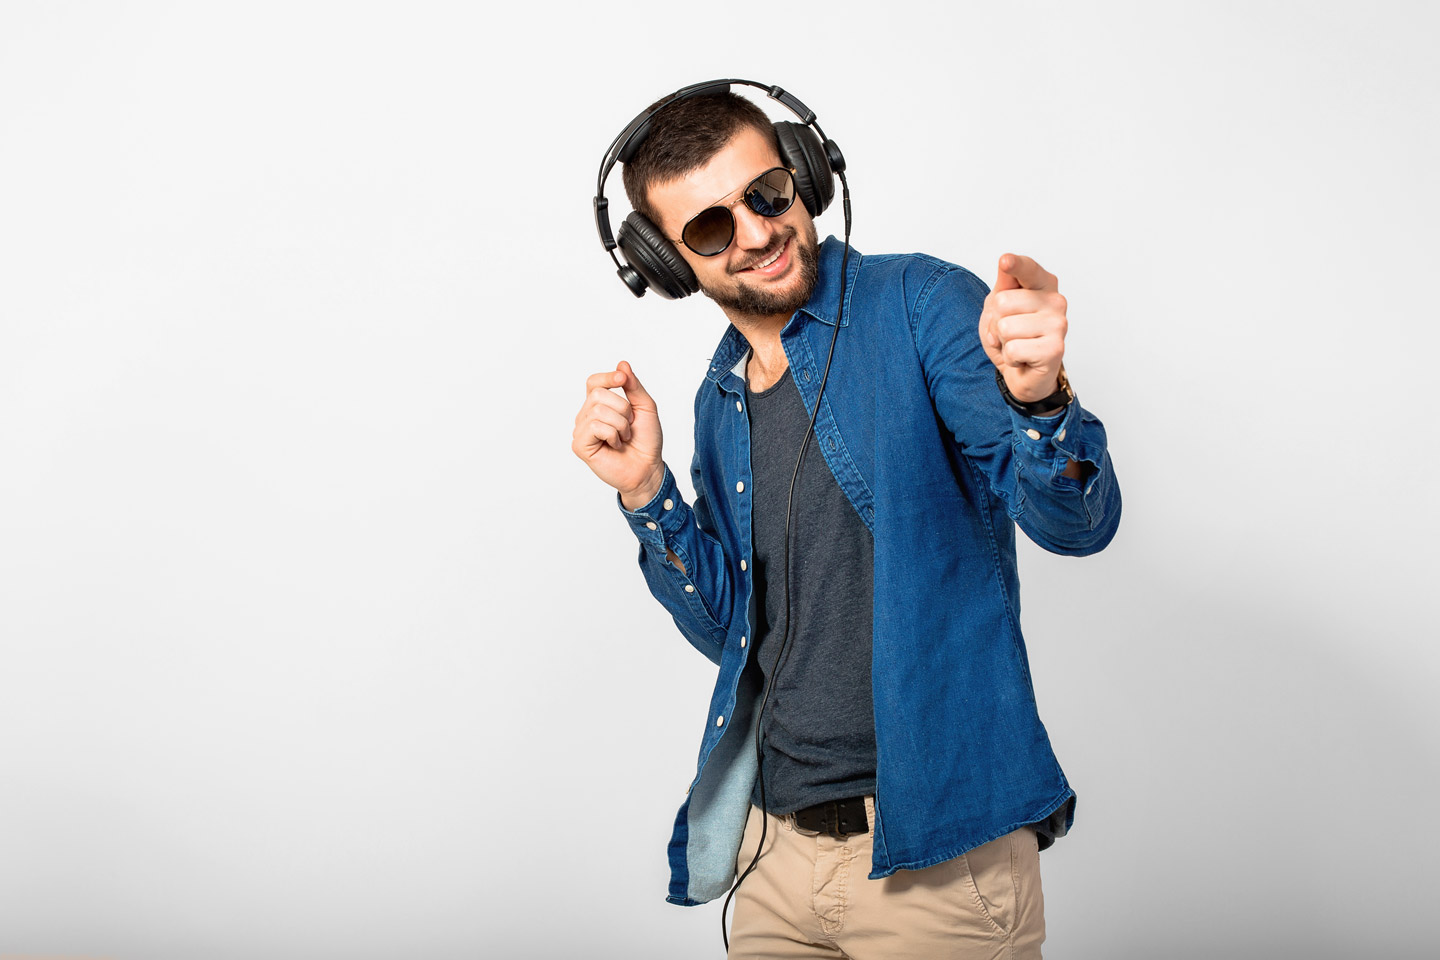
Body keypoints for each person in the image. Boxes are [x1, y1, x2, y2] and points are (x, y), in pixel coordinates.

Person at [572, 86, 1121, 959]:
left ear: (806, 176)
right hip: (774, 861)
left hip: (935, 859)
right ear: (671, 267)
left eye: (766, 194)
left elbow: (1075, 523)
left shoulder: (923, 303)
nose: (755, 234)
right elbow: (735, 635)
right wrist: (648, 494)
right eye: (711, 229)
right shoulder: (720, 400)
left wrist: (1040, 398)